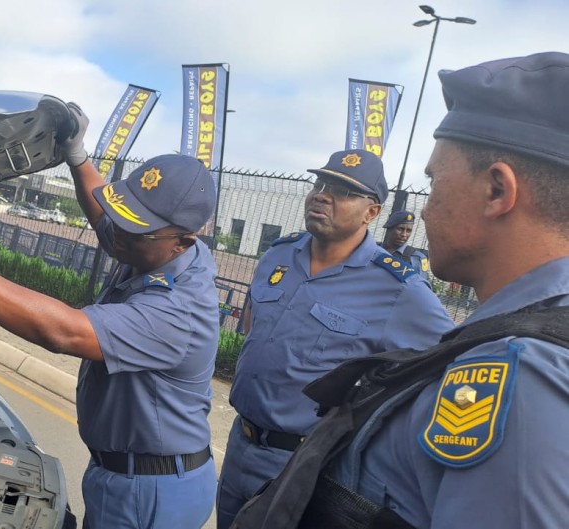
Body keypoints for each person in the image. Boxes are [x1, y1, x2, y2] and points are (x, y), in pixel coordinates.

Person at [230, 51, 569, 529]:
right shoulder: (509, 337)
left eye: (434, 182)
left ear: (497, 191)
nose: (423, 211)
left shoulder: (521, 373)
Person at [0, 103, 221, 528]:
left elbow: (64, 332)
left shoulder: (178, 311)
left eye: (137, 227)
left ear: (182, 241)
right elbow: (108, 223)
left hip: (152, 491)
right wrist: (78, 157)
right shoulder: (156, 251)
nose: (119, 232)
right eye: (124, 213)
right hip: (125, 473)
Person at [216, 149, 455, 528]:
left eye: (342, 191)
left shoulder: (397, 288)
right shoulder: (279, 255)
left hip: (303, 464)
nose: (323, 195)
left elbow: (449, 363)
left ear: (371, 212)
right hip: (239, 442)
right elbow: (253, 326)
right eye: (321, 184)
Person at [380, 210, 430, 275]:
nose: (404, 234)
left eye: (408, 231)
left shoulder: (417, 258)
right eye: (400, 229)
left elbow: (420, 281)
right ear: (389, 229)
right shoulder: (375, 250)